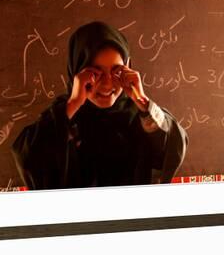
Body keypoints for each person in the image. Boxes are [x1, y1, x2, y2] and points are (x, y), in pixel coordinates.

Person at [11, 21, 188, 190]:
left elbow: (174, 148)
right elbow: (28, 157)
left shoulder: (140, 114)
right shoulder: (63, 116)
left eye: (116, 71)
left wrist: (142, 101)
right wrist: (73, 104)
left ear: (128, 69)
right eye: (95, 73)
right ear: (77, 71)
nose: (107, 84)